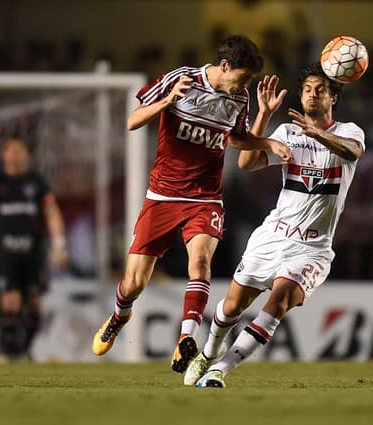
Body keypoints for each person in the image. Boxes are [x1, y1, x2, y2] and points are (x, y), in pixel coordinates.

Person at [91, 35, 293, 374]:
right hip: (162, 196)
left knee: (199, 262)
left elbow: (237, 138)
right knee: (134, 284)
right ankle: (119, 315)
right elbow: (133, 120)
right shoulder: (182, 79)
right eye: (241, 78)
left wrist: (269, 142)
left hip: (205, 197)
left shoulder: (239, 97)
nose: (242, 87)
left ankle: (187, 338)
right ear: (224, 66)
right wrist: (168, 101)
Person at [185, 63, 365, 388]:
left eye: (320, 90)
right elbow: (246, 162)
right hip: (273, 236)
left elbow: (353, 153)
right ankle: (209, 352)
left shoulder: (349, 132)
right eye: (307, 89)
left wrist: (318, 134)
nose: (312, 95)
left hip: (312, 249)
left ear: (333, 98)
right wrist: (265, 115)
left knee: (278, 303)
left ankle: (220, 370)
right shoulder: (287, 132)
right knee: (231, 307)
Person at [0, 137, 68, 361]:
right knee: (11, 300)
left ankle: (24, 350)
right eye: (11, 150)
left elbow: (51, 212)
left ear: (27, 154)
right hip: (5, 253)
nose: (15, 154)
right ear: (3, 154)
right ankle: (8, 352)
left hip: (33, 252)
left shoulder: (36, 182)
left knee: (35, 304)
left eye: (20, 150)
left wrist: (59, 245)